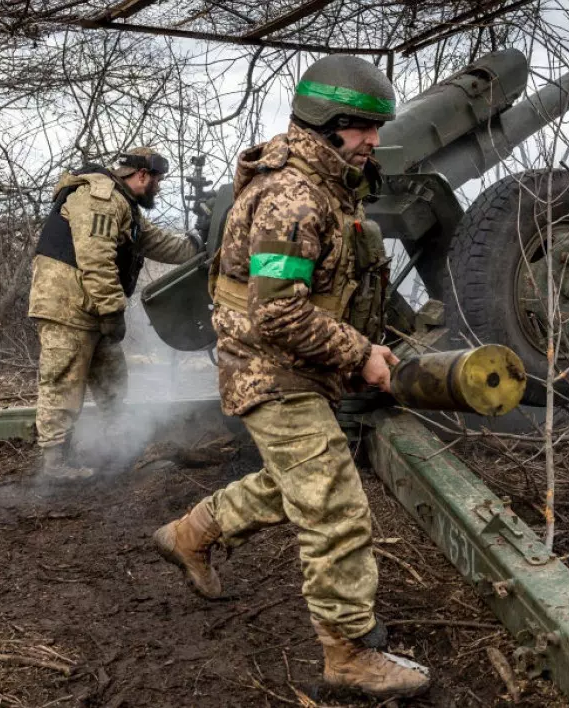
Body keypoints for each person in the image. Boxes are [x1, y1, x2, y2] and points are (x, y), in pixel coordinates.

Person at [152, 57, 431, 699]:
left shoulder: (321, 184)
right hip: (270, 372)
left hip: (293, 367)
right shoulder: (293, 196)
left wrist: (356, 350)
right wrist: (358, 353)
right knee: (333, 505)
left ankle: (189, 534)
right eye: (364, 128)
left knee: (297, 483)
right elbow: (277, 311)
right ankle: (349, 655)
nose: (374, 141)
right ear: (330, 124)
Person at [28, 147, 202, 481]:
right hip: (67, 307)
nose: (160, 188)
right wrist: (112, 312)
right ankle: (54, 465)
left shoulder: (126, 208)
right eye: (158, 181)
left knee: (112, 378)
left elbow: (161, 243)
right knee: (63, 381)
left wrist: (198, 244)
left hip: (88, 307)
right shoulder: (101, 199)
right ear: (141, 176)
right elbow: (96, 260)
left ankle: (119, 443)